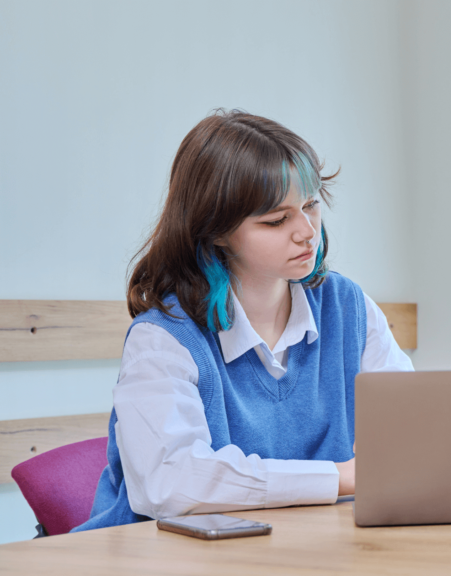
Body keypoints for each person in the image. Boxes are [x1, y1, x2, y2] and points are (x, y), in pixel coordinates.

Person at [74, 111, 413, 531]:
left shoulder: (348, 306)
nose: (306, 231)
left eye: (310, 205)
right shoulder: (163, 339)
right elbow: (171, 484)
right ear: (216, 231)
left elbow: (409, 432)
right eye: (276, 220)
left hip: (312, 549)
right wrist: (341, 476)